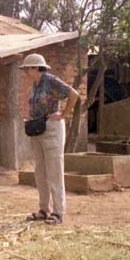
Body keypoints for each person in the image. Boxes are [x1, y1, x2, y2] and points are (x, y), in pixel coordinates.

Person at [20, 53, 79, 225]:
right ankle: (44, 209)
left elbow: (73, 94)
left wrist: (62, 114)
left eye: (27, 69)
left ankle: (58, 212)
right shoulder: (36, 84)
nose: (25, 72)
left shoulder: (50, 80)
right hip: (38, 128)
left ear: (35, 67)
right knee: (41, 171)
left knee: (54, 170)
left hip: (51, 128)